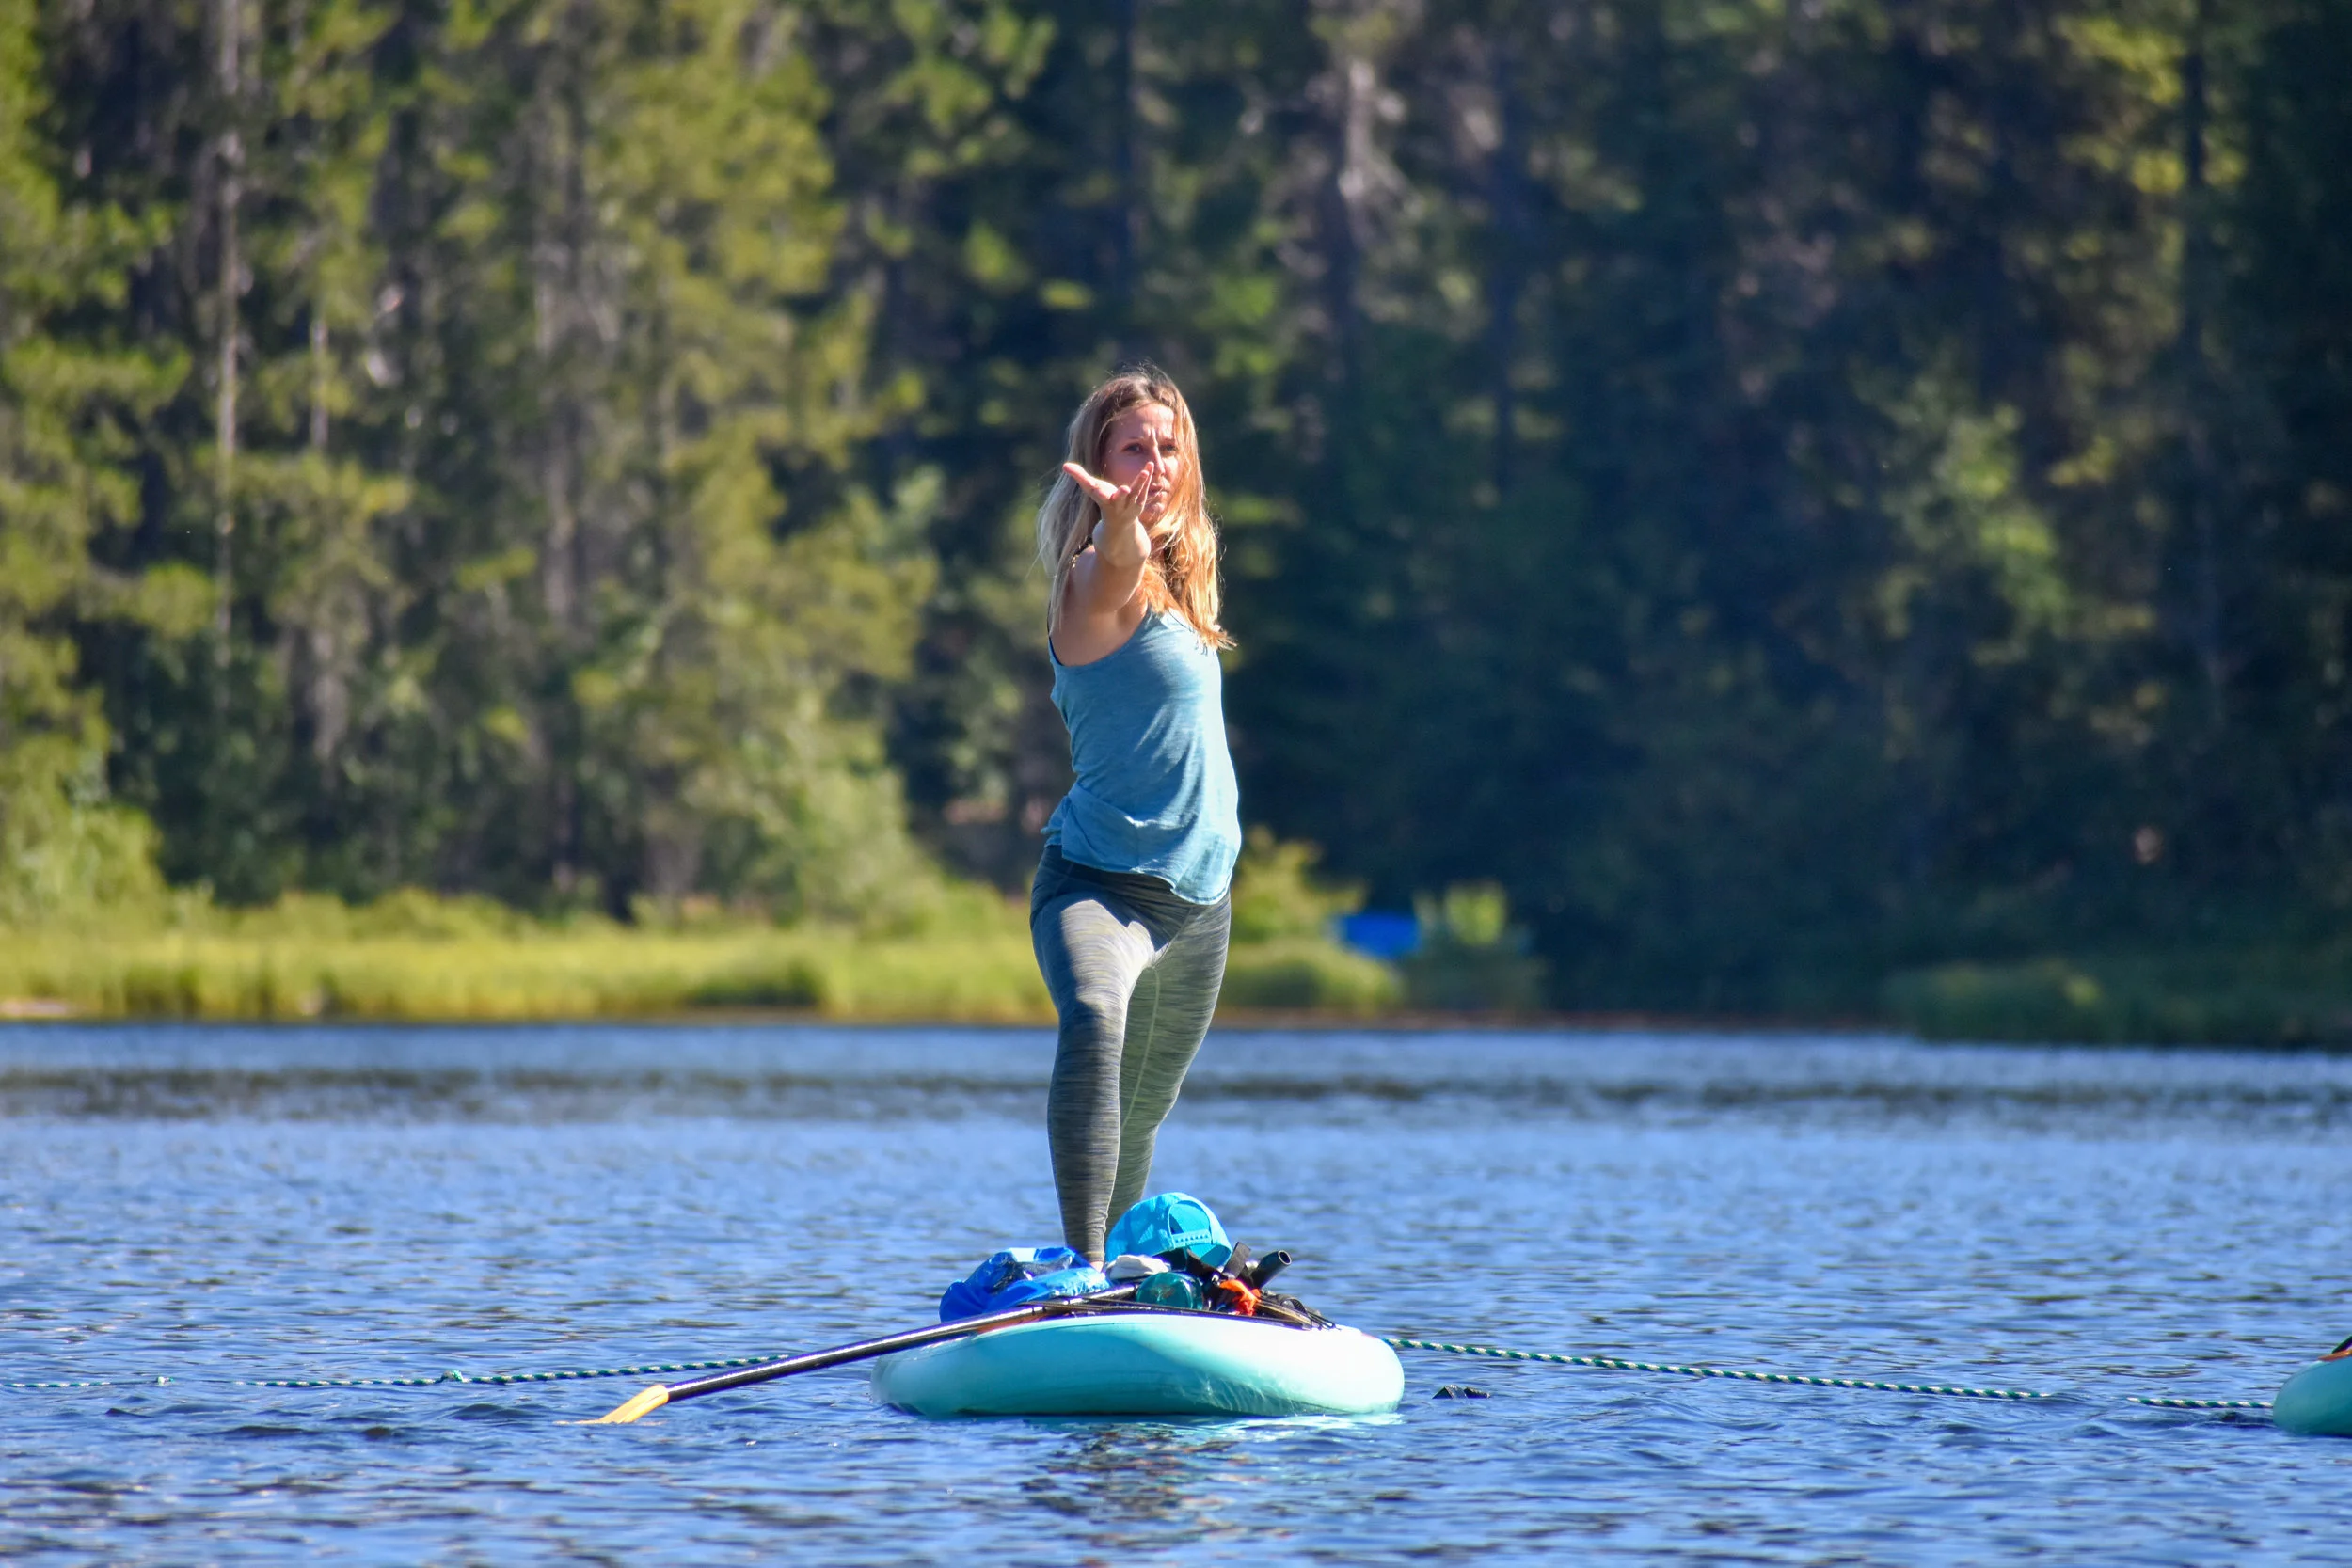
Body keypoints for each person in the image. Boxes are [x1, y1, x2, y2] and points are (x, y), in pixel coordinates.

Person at [1029, 366, 1241, 1265]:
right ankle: (1078, 1271)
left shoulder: (1188, 601)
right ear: (1098, 464)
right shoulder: (1094, 584)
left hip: (1199, 904)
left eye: (1168, 448)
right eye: (1132, 447)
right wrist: (1118, 530)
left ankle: (1117, 1275)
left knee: (1144, 1106)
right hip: (1099, 885)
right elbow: (1114, 566)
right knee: (1094, 1015)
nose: (1153, 464)